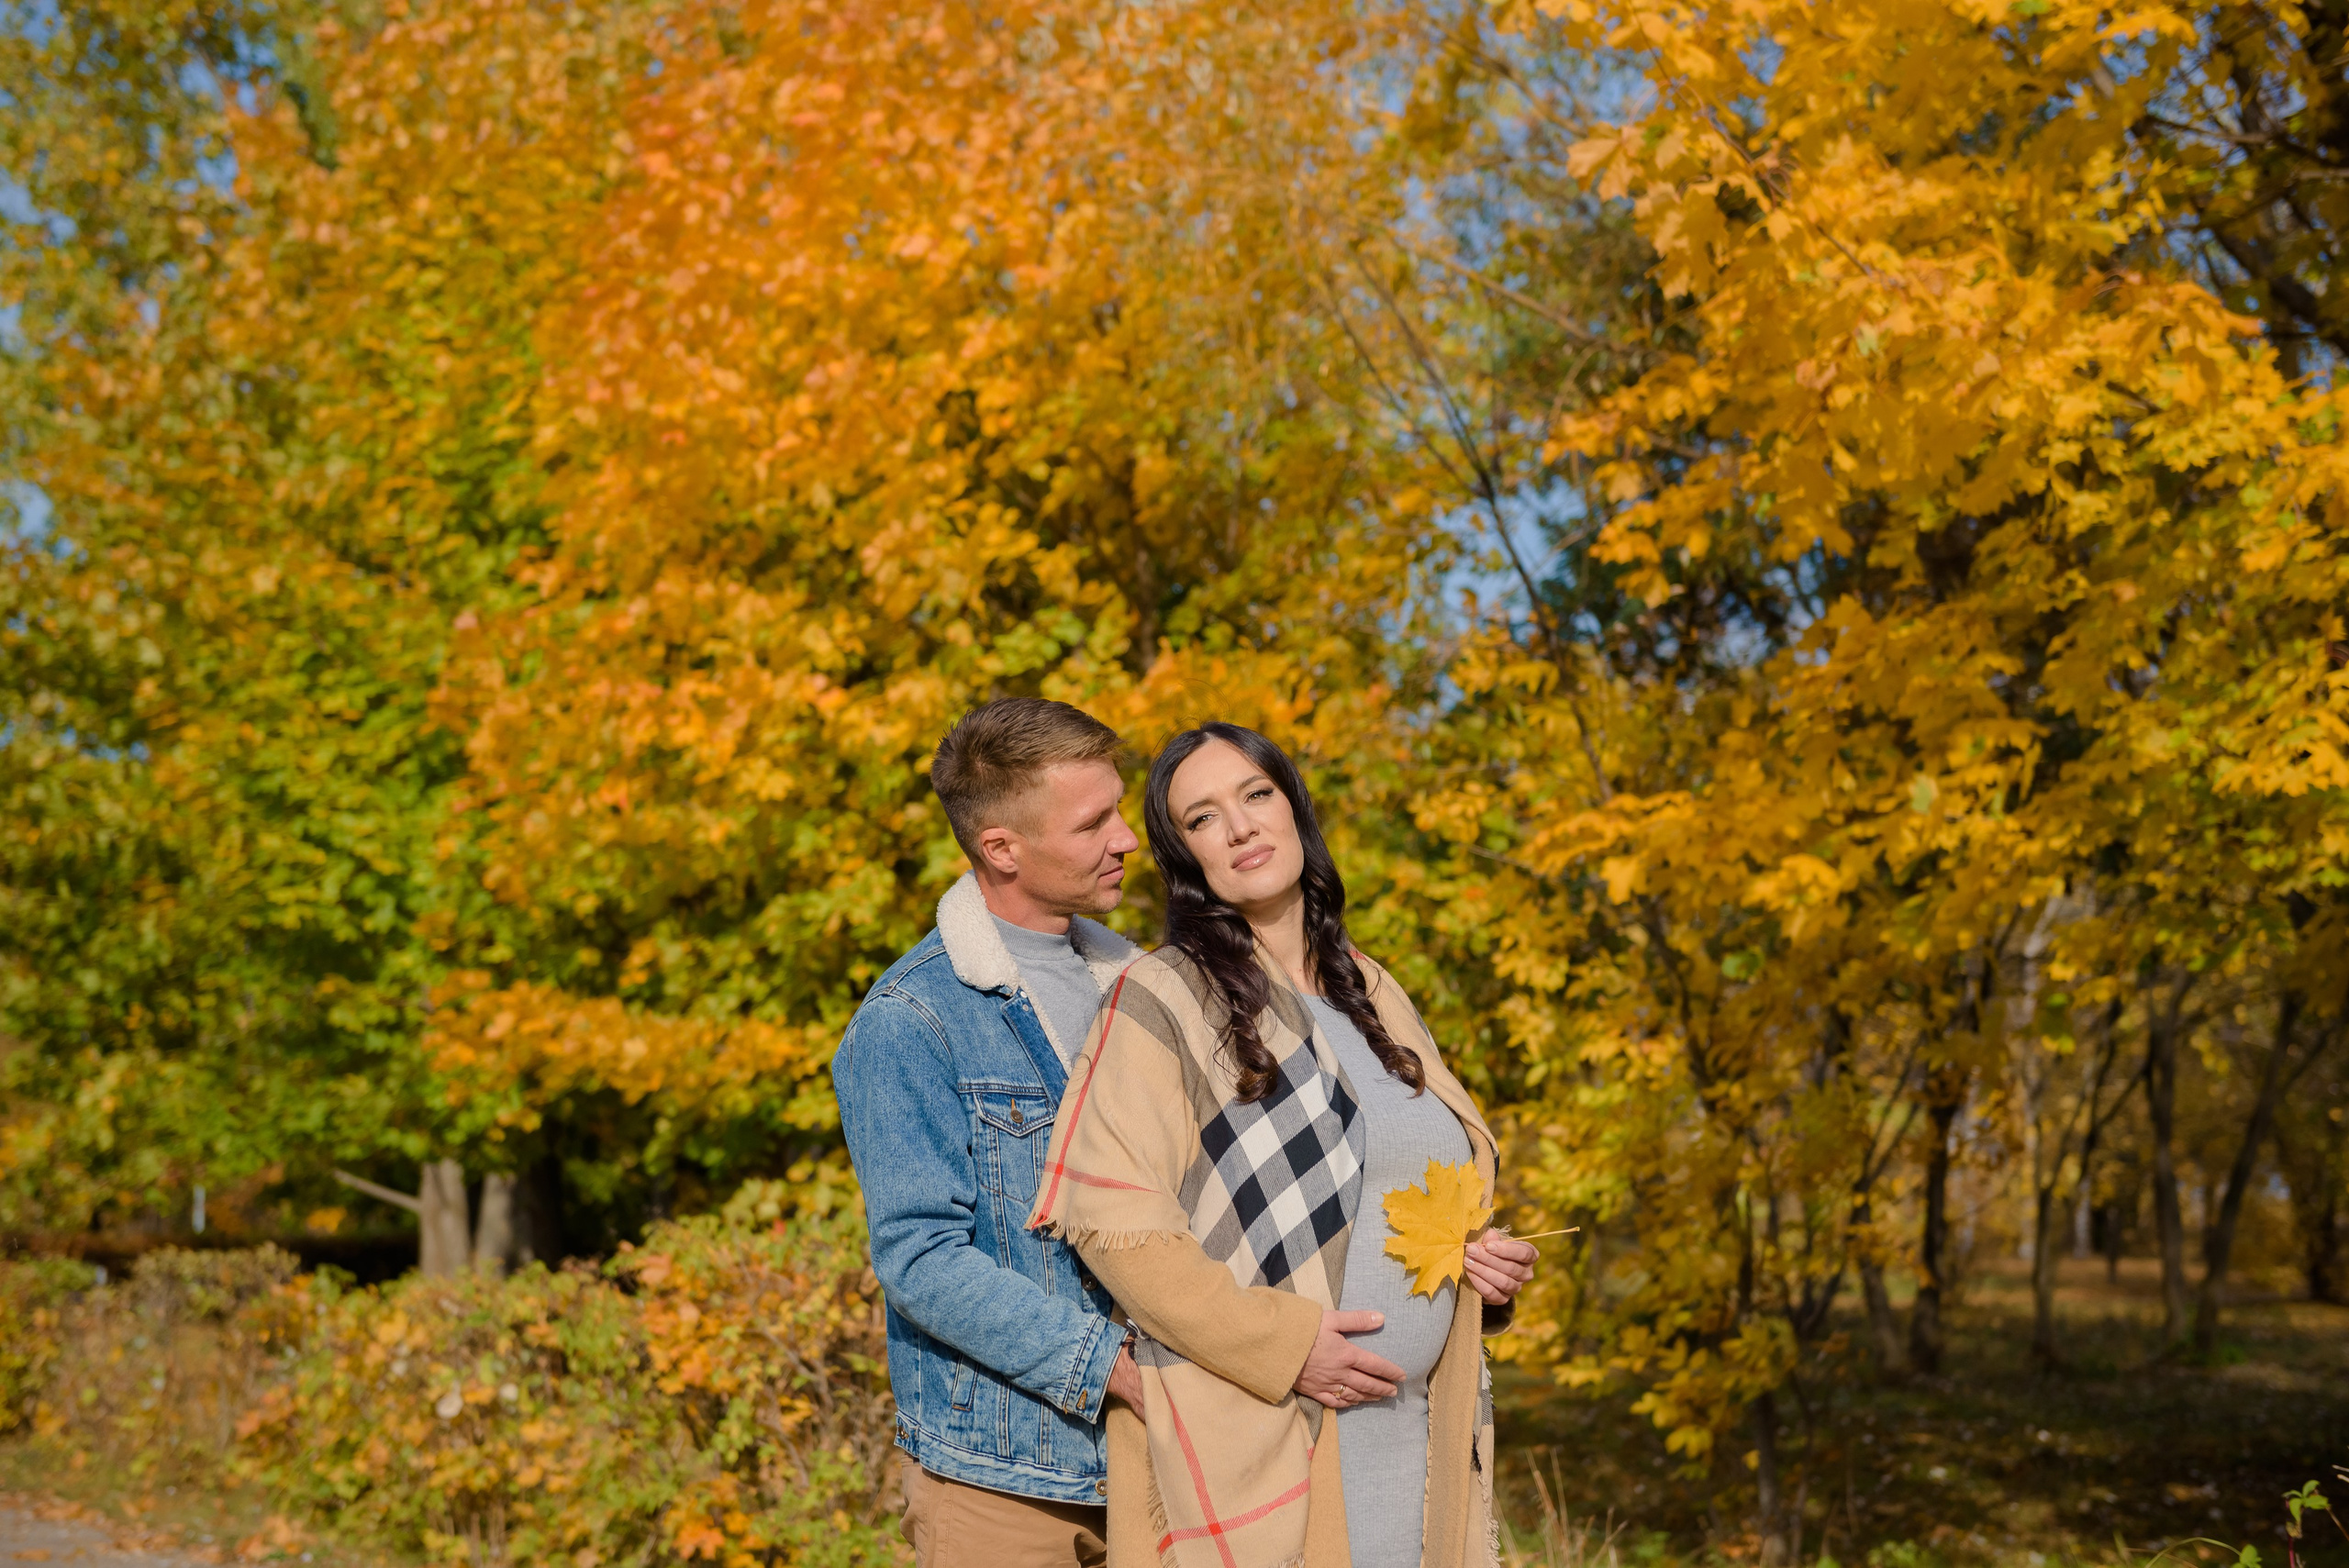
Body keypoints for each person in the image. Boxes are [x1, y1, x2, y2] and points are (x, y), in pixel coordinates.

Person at [1030, 722, 1538, 1568]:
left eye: (1256, 794)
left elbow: (1409, 1193)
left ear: (1294, 808)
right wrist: (1284, 1344)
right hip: (1275, 1439)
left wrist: (1482, 1262)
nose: (1240, 826)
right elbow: (1114, 1226)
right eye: (1203, 817)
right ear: (1187, 858)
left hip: (1418, 1435)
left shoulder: (1372, 990)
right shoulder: (1163, 998)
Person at [833, 697, 1154, 1568]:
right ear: (1001, 847)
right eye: (1094, 823)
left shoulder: (1150, 990)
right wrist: (1114, 1366)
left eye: (1120, 810)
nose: (1127, 838)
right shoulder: (912, 1020)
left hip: (1165, 1460)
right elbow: (920, 1258)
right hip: (1002, 1481)